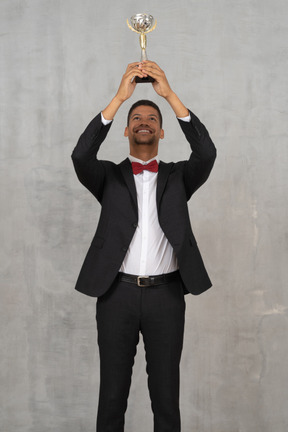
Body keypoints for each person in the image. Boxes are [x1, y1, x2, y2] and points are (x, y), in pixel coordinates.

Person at [72, 61, 216, 432]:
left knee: (166, 396)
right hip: (115, 294)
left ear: (162, 132)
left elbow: (207, 153)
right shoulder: (106, 176)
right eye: (137, 117)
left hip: (166, 297)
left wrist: (168, 94)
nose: (144, 121)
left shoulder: (180, 177)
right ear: (126, 129)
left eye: (152, 117)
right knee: (112, 396)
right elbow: (80, 155)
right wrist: (121, 98)